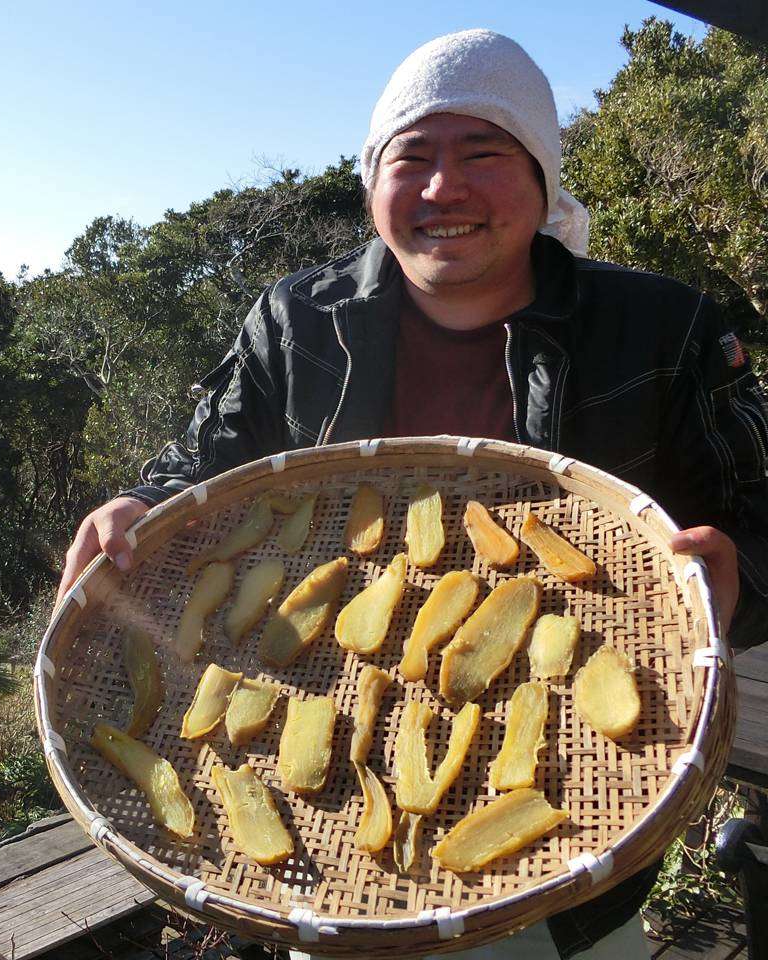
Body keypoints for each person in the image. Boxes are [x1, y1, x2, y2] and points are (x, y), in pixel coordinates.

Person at [54, 29, 768, 959]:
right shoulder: (298, 321)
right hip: (336, 844)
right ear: (373, 180)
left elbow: (757, 515)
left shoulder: (660, 328)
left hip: (585, 825)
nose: (443, 189)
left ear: (544, 176)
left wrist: (738, 577)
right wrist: (138, 507)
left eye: (483, 153)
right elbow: (200, 469)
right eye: (413, 157)